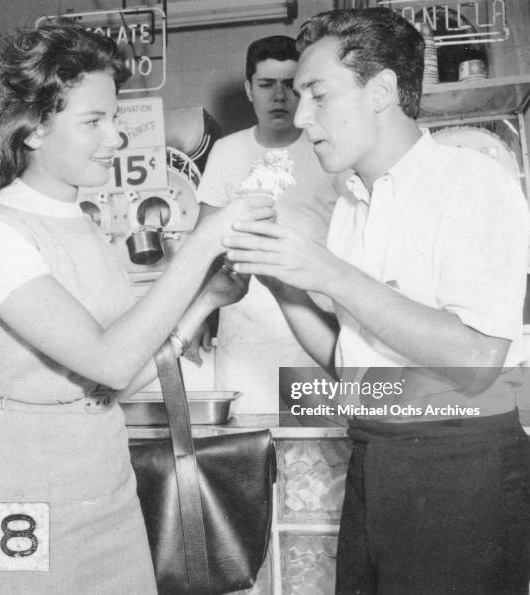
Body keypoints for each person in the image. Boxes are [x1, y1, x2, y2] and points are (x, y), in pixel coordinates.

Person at [0, 19, 274, 595]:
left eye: (114, 118)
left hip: (107, 480)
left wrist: (205, 300)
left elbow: (124, 377)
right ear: (34, 128)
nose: (116, 138)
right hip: (15, 487)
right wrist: (206, 240)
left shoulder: (84, 226)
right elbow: (106, 361)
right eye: (94, 121)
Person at [223, 8, 530, 594]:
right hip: (375, 452)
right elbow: (350, 366)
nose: (302, 118)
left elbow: (478, 360)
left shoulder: (469, 180)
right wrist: (282, 280)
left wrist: (330, 273)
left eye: (317, 94)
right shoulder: (353, 205)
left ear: (382, 90)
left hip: (457, 463)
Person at [197, 35, 338, 413]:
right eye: (265, 85)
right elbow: (203, 245)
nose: (278, 97)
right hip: (245, 337)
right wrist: (198, 313)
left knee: (322, 462)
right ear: (248, 89)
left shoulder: (329, 150)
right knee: (250, 461)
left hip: (317, 339)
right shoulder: (226, 152)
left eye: (289, 85)